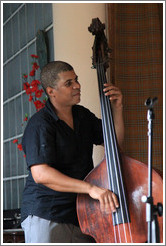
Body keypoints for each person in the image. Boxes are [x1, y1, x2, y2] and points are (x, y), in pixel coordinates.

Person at [21, 61, 124, 243]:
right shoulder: (40, 124)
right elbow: (41, 174)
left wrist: (117, 109)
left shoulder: (82, 115)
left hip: (82, 213)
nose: (77, 85)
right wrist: (91, 189)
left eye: (76, 80)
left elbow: (113, 144)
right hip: (47, 213)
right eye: (69, 83)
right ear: (51, 91)